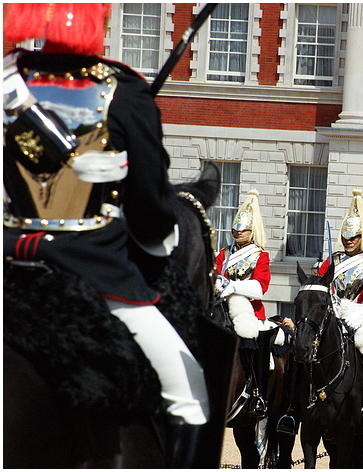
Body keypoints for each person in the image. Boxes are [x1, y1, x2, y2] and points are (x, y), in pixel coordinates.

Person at [2, 3, 209, 466]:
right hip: (94, 272)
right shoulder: (123, 92)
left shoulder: (6, 77)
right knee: (190, 394)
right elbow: (154, 216)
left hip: (8, 264)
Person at [214, 189, 292, 417]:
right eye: (235, 229)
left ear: (252, 231)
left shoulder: (260, 255)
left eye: (243, 230)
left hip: (250, 310)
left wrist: (234, 287)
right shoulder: (223, 254)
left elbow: (260, 287)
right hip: (221, 305)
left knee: (253, 336)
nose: (238, 233)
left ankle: (258, 393)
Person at [317, 188, 363, 357]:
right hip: (330, 316)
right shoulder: (331, 261)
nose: (348, 241)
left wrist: (360, 315)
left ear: (361, 237)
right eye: (345, 237)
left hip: (358, 321)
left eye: (353, 237)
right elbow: (318, 288)